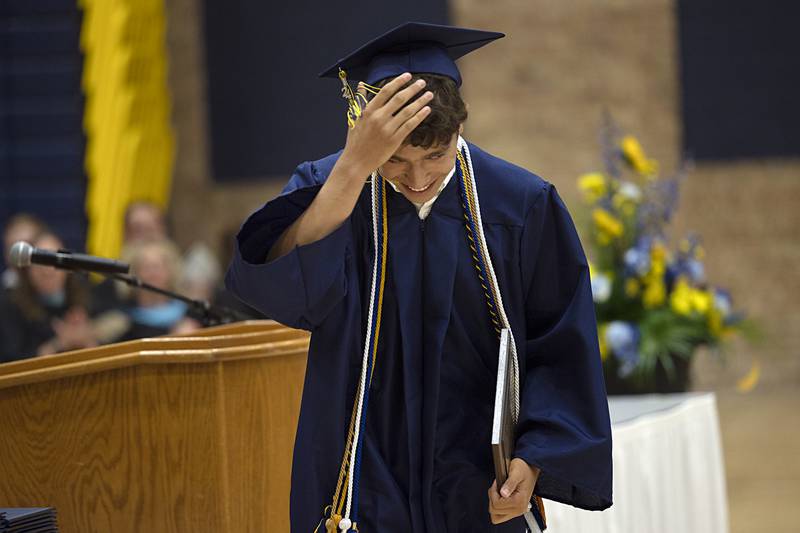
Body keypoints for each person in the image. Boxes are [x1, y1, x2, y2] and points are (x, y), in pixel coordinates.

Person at [226, 22, 612, 533]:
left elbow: (561, 345)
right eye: (396, 160)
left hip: (475, 480)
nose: (419, 179)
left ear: (459, 129)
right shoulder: (333, 188)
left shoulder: (519, 203)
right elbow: (280, 291)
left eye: (436, 154)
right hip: (364, 472)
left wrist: (534, 458)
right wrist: (354, 167)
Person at [0, 230, 97, 362]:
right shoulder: (10, 307)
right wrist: (57, 345)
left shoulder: (85, 297)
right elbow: (11, 361)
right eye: (39, 264)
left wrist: (88, 339)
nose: (47, 271)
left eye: (53, 262)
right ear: (27, 270)